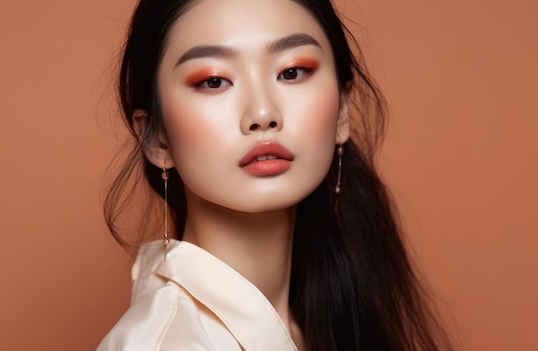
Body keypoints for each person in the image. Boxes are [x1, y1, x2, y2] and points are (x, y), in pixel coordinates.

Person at [98, 0, 453, 350]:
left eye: (292, 72)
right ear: (156, 138)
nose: (263, 113)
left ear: (342, 111)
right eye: (214, 80)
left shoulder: (324, 320)